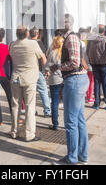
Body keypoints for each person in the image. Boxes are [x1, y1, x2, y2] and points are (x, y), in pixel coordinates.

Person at [53, 14, 89, 165]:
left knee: (71, 122)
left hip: (74, 80)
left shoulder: (71, 38)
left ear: (69, 24)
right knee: (79, 120)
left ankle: (72, 158)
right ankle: (82, 155)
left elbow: (74, 62)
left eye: (64, 21)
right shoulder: (69, 38)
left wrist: (58, 67)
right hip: (76, 80)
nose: (61, 23)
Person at [9, 26, 46, 142]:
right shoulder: (33, 44)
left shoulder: (12, 45)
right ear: (27, 34)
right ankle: (29, 134)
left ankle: (14, 131)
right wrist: (45, 70)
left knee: (16, 106)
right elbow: (43, 58)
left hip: (16, 77)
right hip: (30, 78)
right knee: (30, 106)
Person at [86, 25, 106, 110]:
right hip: (105, 64)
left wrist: (91, 60)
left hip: (94, 64)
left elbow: (87, 52)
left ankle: (97, 103)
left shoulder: (90, 40)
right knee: (105, 84)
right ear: (103, 31)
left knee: (97, 84)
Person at [29, 27, 51, 117]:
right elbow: (43, 57)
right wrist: (47, 70)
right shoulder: (39, 43)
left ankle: (33, 110)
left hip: (30, 71)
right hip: (38, 71)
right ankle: (47, 111)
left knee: (32, 92)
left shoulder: (28, 43)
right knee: (43, 91)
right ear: (37, 34)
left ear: (30, 34)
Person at [44, 36, 64, 130]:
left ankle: (55, 124)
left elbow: (47, 67)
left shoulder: (52, 53)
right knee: (66, 102)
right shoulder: (63, 54)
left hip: (54, 80)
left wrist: (47, 72)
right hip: (64, 79)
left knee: (55, 103)